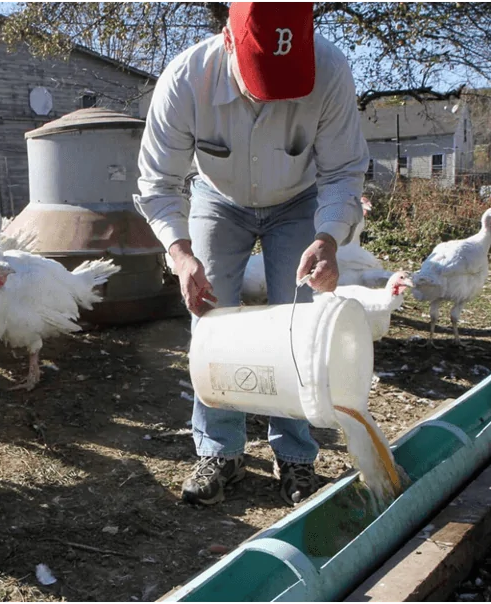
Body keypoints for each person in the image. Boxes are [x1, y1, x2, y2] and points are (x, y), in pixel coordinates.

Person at [134, 0, 369, 506]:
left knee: (299, 324)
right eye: (260, 78)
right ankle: (220, 450)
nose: (272, 97)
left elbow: (344, 171)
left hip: (299, 199)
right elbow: (158, 182)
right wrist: (180, 254)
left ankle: (296, 456)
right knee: (211, 315)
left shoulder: (328, 71)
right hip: (218, 199)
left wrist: (328, 237)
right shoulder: (185, 79)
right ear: (228, 40)